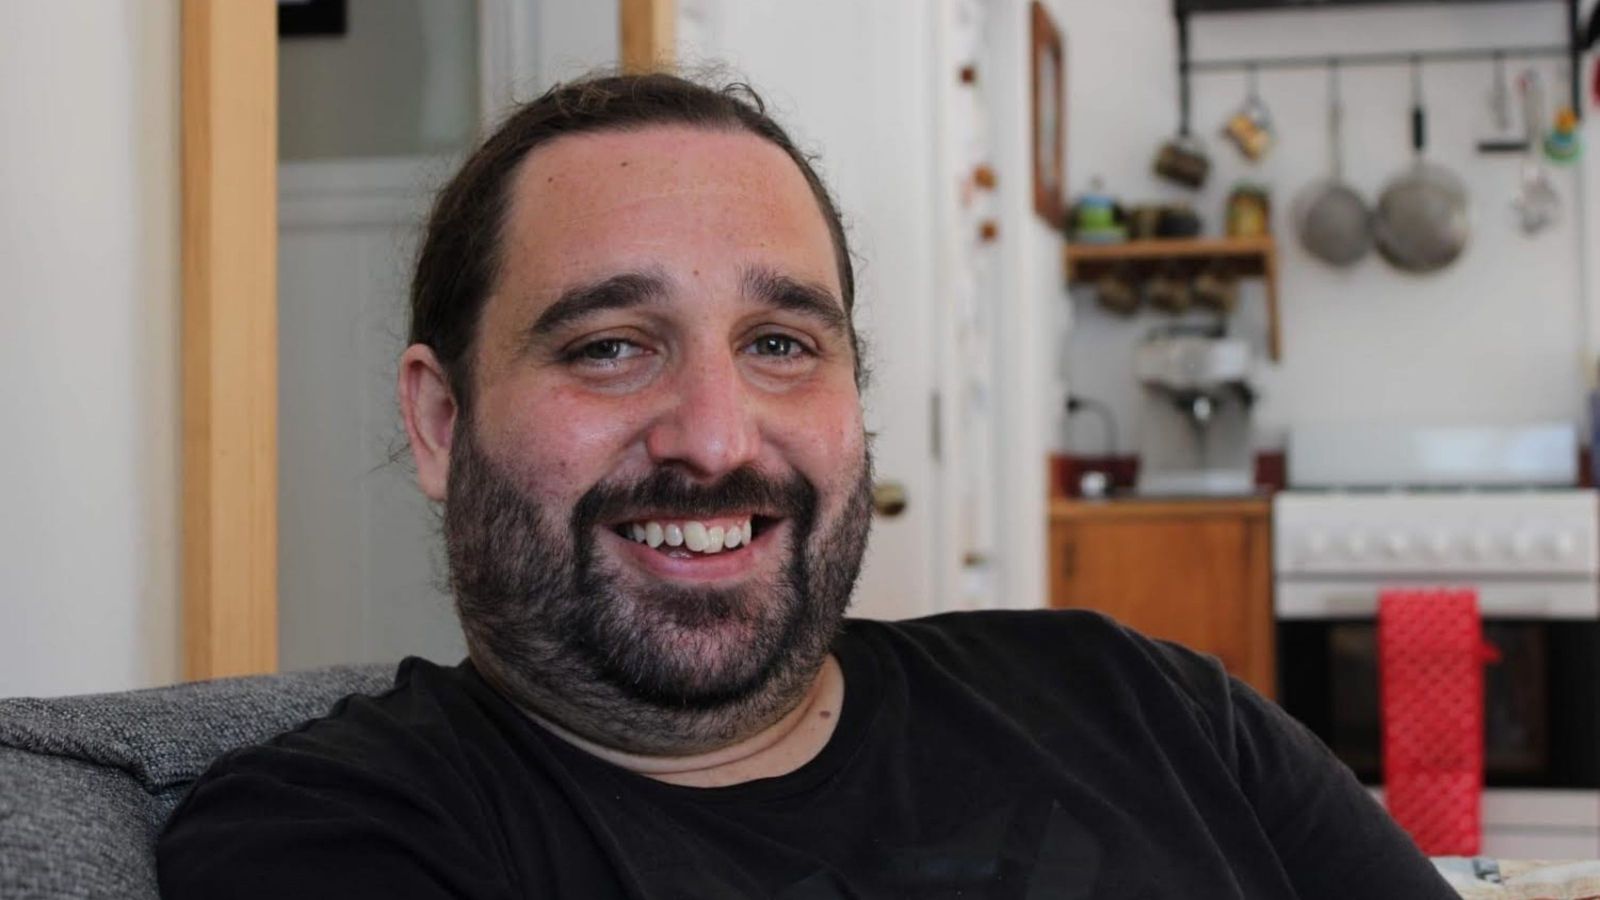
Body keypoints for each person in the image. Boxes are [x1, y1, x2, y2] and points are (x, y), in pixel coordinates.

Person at [158, 72, 1455, 899]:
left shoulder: (1149, 701)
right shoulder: (334, 840)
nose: (717, 437)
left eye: (782, 345)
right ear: (441, 423)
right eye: (611, 346)